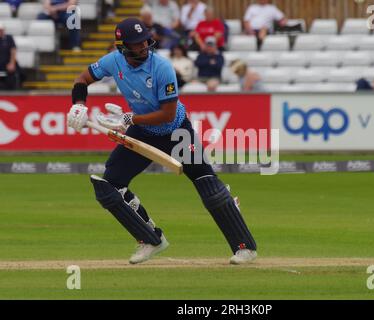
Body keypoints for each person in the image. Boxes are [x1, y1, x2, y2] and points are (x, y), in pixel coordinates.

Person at [67, 18, 257, 265]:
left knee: (208, 187)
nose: (144, 45)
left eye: (145, 39)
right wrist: (79, 106)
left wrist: (129, 118)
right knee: (109, 187)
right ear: (123, 47)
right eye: (137, 43)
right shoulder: (112, 61)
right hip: (143, 131)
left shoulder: (162, 67)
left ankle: (245, 248)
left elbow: (167, 113)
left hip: (176, 130)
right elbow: (82, 79)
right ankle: (151, 239)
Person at [0, 23, 20, 90]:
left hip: (7, 65)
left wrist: (12, 63)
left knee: (12, 75)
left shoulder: (9, 38)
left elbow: (13, 50)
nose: (0, 32)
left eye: (1, 30)